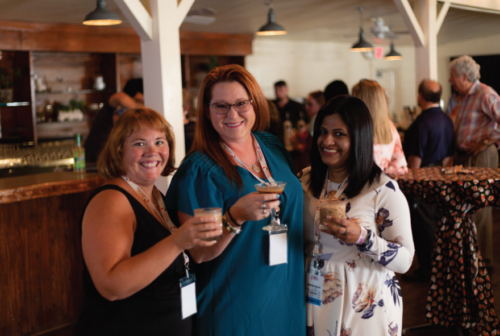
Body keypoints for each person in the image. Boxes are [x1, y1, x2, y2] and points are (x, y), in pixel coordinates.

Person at [165, 64, 306, 336]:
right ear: (207, 111)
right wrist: (234, 217)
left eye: (241, 103)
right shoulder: (199, 169)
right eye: (220, 105)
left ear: (254, 104)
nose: (232, 114)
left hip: (287, 296)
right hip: (236, 307)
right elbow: (200, 253)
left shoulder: (272, 146)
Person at [73, 108, 222, 336]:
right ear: (119, 149)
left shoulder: (155, 197)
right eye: (139, 143)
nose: (152, 152)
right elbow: (111, 286)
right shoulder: (111, 199)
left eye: (159, 142)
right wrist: (177, 242)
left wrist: (235, 219)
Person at [300, 95, 414, 335]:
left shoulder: (382, 189)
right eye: (322, 131)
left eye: (339, 134)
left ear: (359, 138)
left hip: (364, 302)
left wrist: (364, 238)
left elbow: (405, 260)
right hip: (312, 293)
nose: (327, 141)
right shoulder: (305, 181)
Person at [449, 55, 500, 269]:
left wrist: (486, 142)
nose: (450, 80)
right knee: (468, 209)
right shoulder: (466, 96)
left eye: (452, 76)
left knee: (480, 209)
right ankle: (472, 259)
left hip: (482, 156)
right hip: (466, 157)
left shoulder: (485, 93)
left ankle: (484, 262)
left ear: (463, 75)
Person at [402, 79, 454, 281]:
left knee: (423, 229)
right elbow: (450, 157)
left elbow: (415, 160)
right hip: (441, 178)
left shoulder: (421, 123)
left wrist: (410, 186)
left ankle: (427, 271)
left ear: (420, 96)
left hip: (422, 181)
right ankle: (440, 268)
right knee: (438, 226)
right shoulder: (447, 120)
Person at [352, 79, 408, 175]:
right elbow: (400, 167)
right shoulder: (390, 128)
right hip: (380, 187)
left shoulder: (353, 127)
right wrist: (382, 174)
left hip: (354, 187)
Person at [84, 78, 144, 165]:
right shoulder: (111, 111)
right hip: (92, 166)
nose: (140, 105)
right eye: (137, 101)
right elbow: (120, 97)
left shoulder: (134, 123)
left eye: (143, 102)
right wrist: (145, 113)